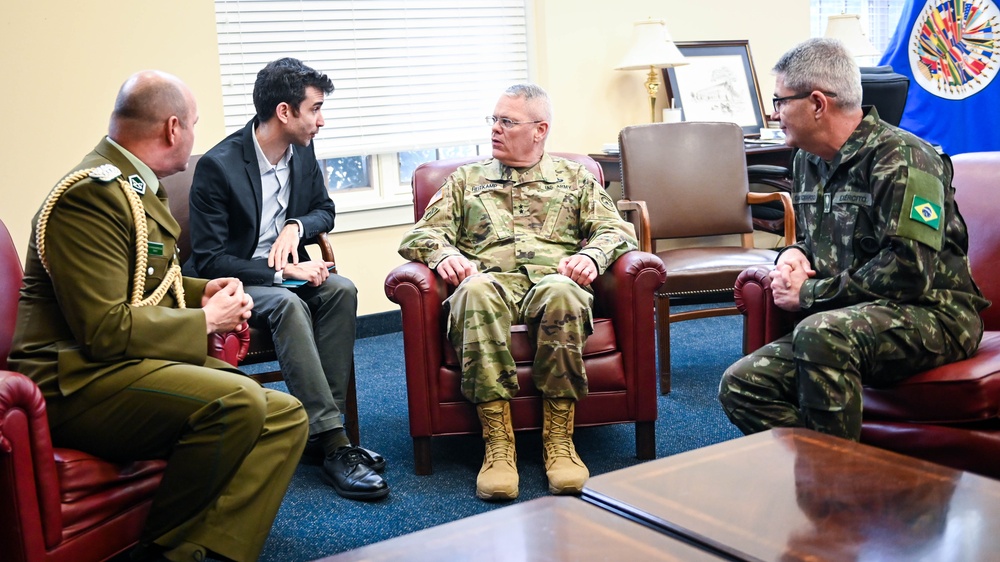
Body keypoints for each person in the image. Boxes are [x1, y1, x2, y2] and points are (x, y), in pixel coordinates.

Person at [7, 70, 308, 562]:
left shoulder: (134, 186)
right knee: (238, 400)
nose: (195, 136)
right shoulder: (90, 196)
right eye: (193, 123)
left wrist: (202, 291)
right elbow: (104, 330)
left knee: (285, 417)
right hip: (71, 381)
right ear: (172, 129)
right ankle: (167, 548)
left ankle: (203, 549)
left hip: (116, 367)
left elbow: (144, 285)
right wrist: (207, 320)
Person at [718, 38, 988, 440]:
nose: (774, 115)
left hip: (934, 316)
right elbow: (816, 239)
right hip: (852, 315)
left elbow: (908, 271)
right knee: (742, 385)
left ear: (816, 104)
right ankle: (840, 474)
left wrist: (808, 294)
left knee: (821, 333)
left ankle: (840, 493)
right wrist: (792, 255)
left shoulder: (904, 158)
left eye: (779, 102)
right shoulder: (808, 160)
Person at [398, 83, 637, 500]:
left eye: (506, 122)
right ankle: (498, 443)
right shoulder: (465, 181)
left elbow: (616, 229)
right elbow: (421, 235)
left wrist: (594, 257)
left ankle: (559, 440)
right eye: (493, 120)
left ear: (540, 129)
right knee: (473, 291)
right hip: (490, 286)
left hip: (552, 283)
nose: (495, 129)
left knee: (565, 291)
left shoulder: (574, 178)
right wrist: (443, 256)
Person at [185, 57, 388, 501]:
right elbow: (210, 259)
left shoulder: (303, 151)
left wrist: (297, 225)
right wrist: (281, 271)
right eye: (314, 109)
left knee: (341, 290)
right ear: (284, 112)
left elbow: (325, 210)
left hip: (286, 273)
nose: (321, 120)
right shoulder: (218, 167)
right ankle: (336, 444)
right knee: (288, 302)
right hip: (236, 281)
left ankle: (322, 435)